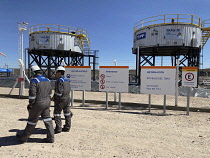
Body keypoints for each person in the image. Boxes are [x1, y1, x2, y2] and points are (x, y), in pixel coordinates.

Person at [16, 65, 54, 143]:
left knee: (32, 121)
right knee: (48, 120)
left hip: (38, 103)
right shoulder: (48, 80)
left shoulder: (34, 80)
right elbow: (50, 93)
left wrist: (31, 104)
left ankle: (24, 138)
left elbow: (32, 94)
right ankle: (51, 138)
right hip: (47, 102)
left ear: (33, 72)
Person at [53, 66, 73, 134]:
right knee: (67, 113)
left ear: (59, 72)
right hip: (67, 98)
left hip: (61, 100)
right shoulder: (67, 80)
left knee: (57, 113)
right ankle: (67, 127)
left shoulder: (59, 81)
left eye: (56, 72)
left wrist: (54, 98)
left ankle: (58, 128)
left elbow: (59, 92)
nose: (55, 74)